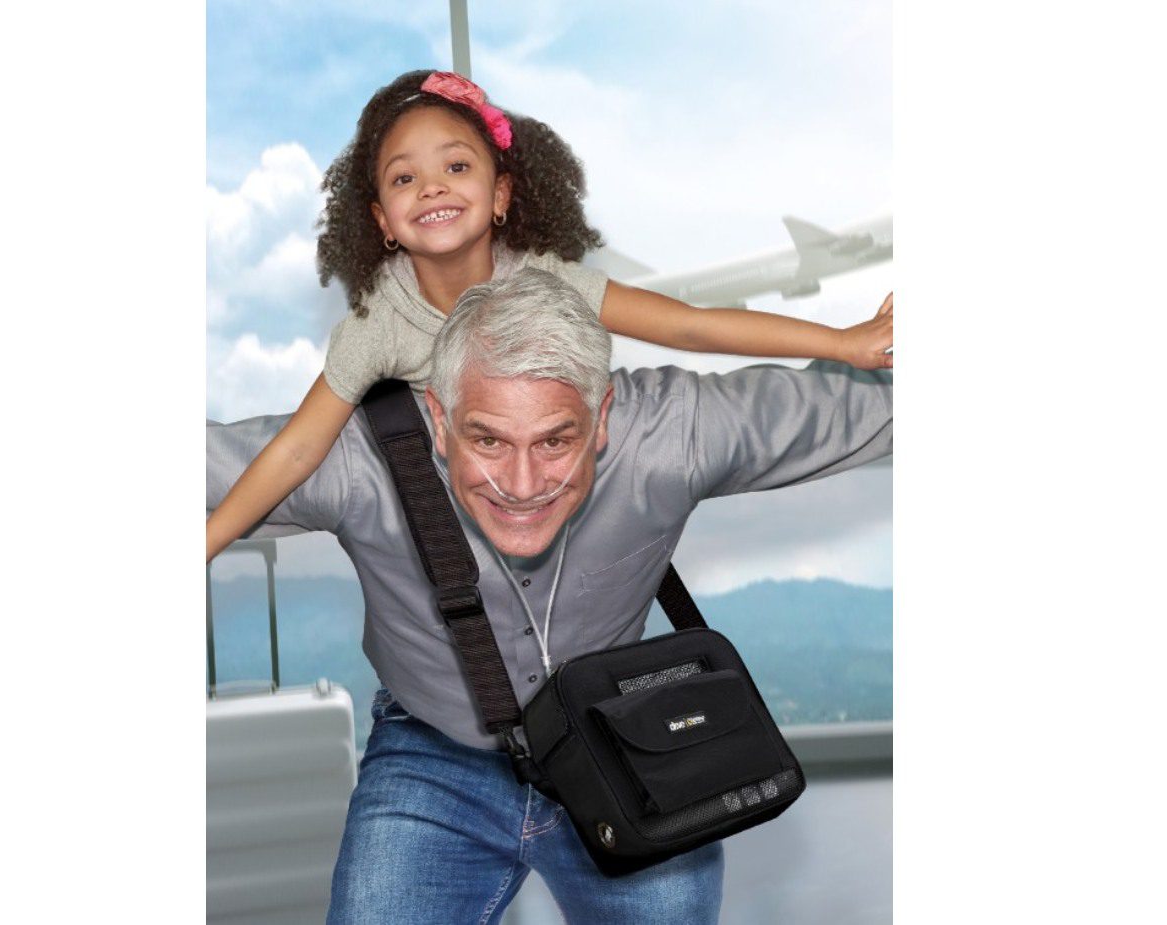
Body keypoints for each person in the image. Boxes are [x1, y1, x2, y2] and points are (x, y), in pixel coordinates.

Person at [206, 268, 893, 923]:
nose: (524, 481)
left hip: (625, 746)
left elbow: (849, 409)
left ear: (603, 419)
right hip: (431, 755)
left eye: (557, 440)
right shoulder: (359, 455)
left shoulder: (672, 431)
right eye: (489, 440)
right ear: (440, 421)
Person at [205, 68, 893, 562]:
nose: (433, 187)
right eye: (405, 178)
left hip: (564, 479)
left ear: (501, 195)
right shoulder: (377, 323)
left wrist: (847, 343)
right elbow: (297, 448)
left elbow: (688, 325)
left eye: (456, 166)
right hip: (457, 498)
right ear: (383, 220)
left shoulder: (546, 280)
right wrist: (206, 545)